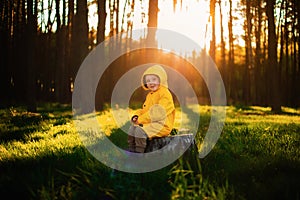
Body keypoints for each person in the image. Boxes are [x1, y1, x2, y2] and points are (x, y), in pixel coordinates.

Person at [128, 65, 175, 153]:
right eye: (148, 81)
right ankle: (131, 151)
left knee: (139, 131)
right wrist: (137, 115)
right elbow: (145, 110)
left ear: (161, 79)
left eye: (154, 79)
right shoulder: (150, 95)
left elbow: (158, 113)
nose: (151, 83)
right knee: (132, 129)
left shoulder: (165, 93)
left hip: (162, 125)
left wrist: (141, 120)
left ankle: (139, 154)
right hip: (152, 124)